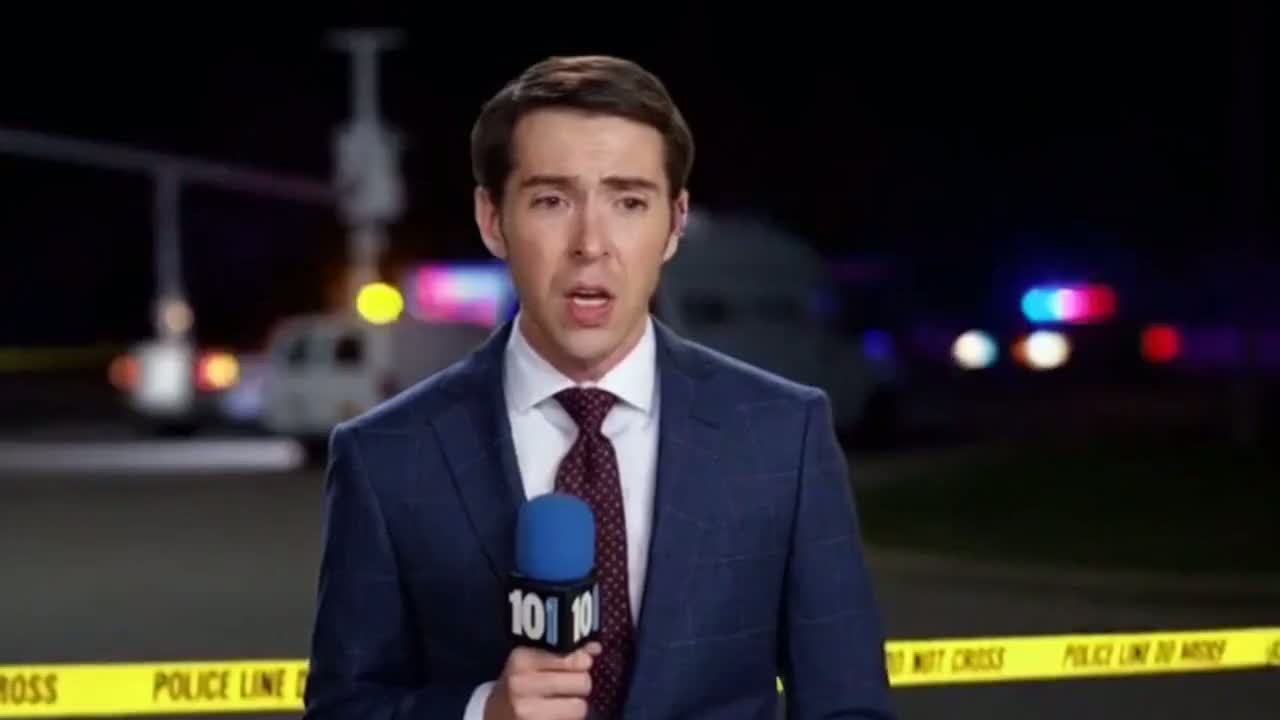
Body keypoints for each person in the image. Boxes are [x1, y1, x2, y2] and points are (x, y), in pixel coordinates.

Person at [303, 54, 896, 720]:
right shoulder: (385, 455)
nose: (591, 243)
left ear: (675, 224)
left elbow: (849, 706)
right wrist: (483, 712)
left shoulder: (783, 436)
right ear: (492, 219)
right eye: (551, 201)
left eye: (629, 202)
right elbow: (342, 708)